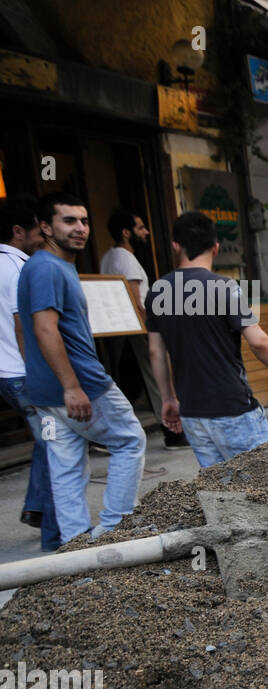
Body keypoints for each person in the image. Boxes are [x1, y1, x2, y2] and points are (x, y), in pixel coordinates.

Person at [16, 192, 145, 544]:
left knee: (66, 466)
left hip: (46, 390)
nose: (80, 228)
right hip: (82, 384)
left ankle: (76, 545)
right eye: (68, 221)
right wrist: (72, 386)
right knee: (130, 440)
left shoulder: (45, 266)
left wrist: (40, 377)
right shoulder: (45, 267)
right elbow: (44, 328)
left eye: (84, 221)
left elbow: (22, 326)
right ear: (45, 227)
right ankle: (114, 529)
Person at [144, 212, 268, 467]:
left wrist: (168, 399)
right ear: (216, 248)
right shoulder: (228, 287)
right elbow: (258, 341)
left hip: (192, 412)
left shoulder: (157, 291)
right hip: (232, 406)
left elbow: (155, 352)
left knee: (220, 490)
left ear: (175, 246)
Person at [0, 195, 60, 549]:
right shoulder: (21, 268)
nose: (42, 237)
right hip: (24, 374)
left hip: (5, 374)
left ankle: (36, 507)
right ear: (18, 231)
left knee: (45, 439)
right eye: (39, 230)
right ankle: (54, 535)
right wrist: (39, 371)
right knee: (56, 444)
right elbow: (25, 326)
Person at [99, 208, 184, 450]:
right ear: (126, 233)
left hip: (116, 327)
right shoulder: (126, 258)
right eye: (140, 228)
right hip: (136, 326)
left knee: (126, 382)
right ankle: (173, 431)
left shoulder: (108, 257)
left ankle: (109, 434)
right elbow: (137, 300)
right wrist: (153, 330)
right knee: (157, 376)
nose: (146, 232)